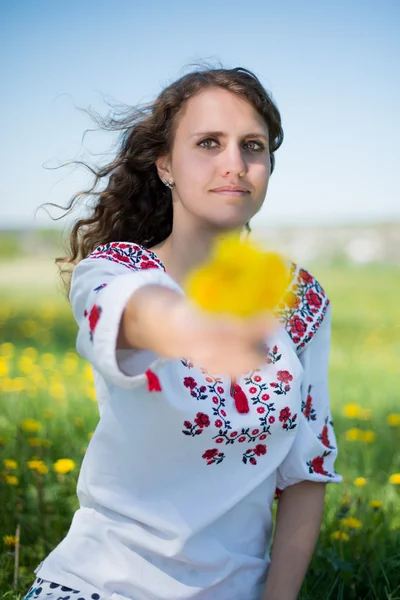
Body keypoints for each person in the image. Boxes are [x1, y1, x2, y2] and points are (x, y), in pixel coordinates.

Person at [25, 66, 342, 600]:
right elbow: (130, 314)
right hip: (101, 583)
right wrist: (190, 327)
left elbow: (307, 471)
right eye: (208, 143)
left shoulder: (299, 296)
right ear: (166, 164)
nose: (234, 165)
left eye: (253, 146)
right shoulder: (117, 270)